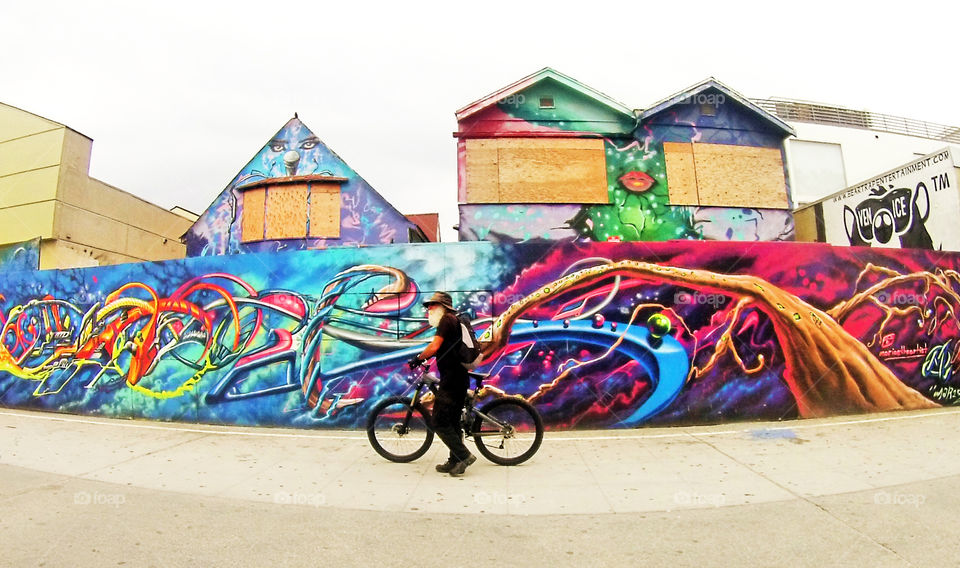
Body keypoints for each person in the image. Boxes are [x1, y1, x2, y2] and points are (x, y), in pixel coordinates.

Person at [408, 292, 476, 476]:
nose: (429, 309)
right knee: (453, 422)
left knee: (438, 421)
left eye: (433, 305)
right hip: (457, 378)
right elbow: (444, 349)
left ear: (444, 307)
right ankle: (454, 460)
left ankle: (464, 456)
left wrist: (418, 358)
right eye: (429, 305)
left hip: (452, 381)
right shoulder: (452, 321)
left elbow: (435, 346)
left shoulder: (447, 320)